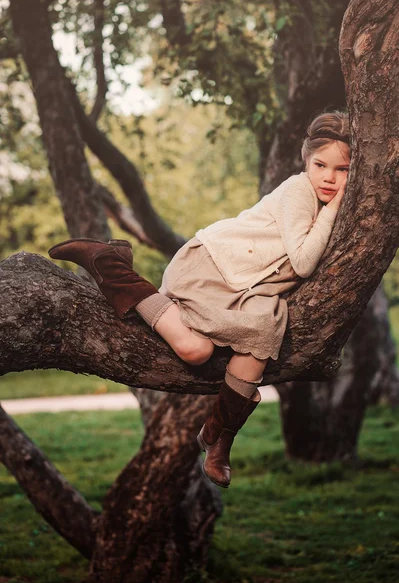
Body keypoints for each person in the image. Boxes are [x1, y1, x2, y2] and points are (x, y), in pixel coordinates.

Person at [48, 110, 350, 489]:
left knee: (263, 331)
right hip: (213, 267)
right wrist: (337, 205)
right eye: (320, 164)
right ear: (305, 159)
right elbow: (304, 264)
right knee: (196, 351)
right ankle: (111, 265)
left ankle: (219, 438)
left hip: (251, 290)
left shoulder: (325, 203)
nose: (329, 177)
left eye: (341, 170)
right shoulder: (298, 191)